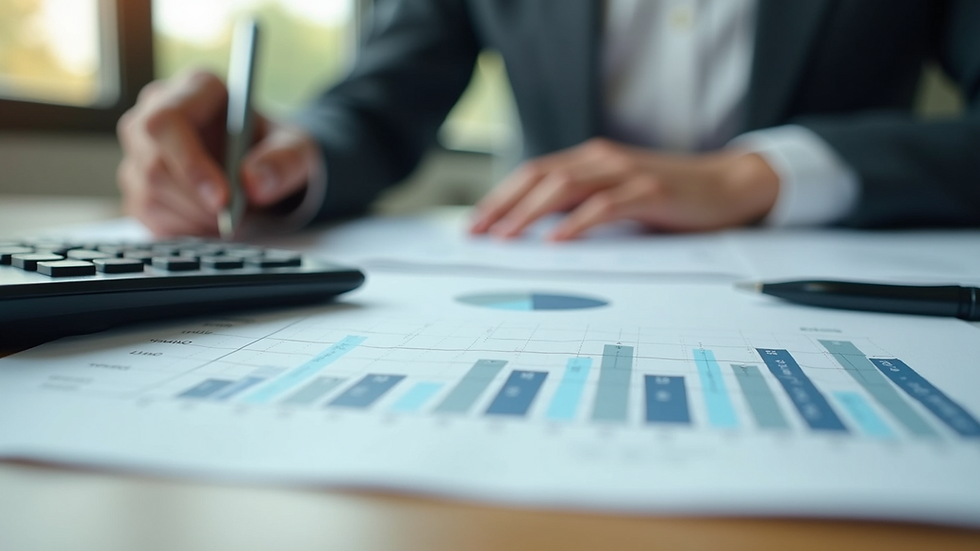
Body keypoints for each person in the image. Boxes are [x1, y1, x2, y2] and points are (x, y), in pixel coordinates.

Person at [116, 0, 980, 241]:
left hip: (831, 285)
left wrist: (759, 174)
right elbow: (378, 102)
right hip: (556, 271)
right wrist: (285, 154)